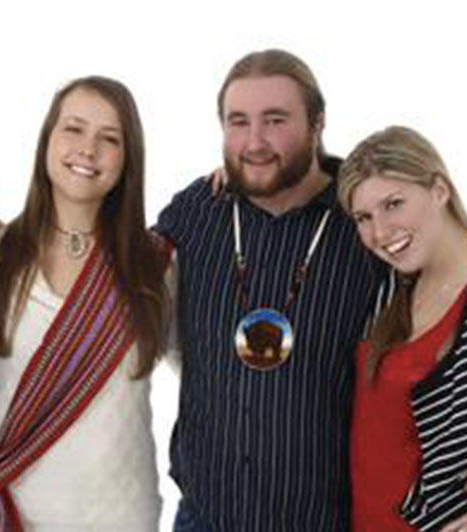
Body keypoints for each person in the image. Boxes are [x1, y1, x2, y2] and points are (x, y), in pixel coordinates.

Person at [156, 49, 385, 531]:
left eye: (275, 120)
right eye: (238, 122)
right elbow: (110, 272)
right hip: (205, 516)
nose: (254, 142)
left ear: (318, 124)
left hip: (324, 521)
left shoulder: (367, 220)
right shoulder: (199, 209)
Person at [0, 76, 173, 531]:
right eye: (73, 128)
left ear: (128, 158)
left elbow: (212, 380)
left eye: (109, 138)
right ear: (47, 140)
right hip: (7, 509)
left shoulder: (158, 266)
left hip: (120, 517)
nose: (88, 149)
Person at [340, 126, 467, 532]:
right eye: (364, 217)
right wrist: (239, 179)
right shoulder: (391, 286)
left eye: (394, 204)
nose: (380, 233)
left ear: (439, 189)